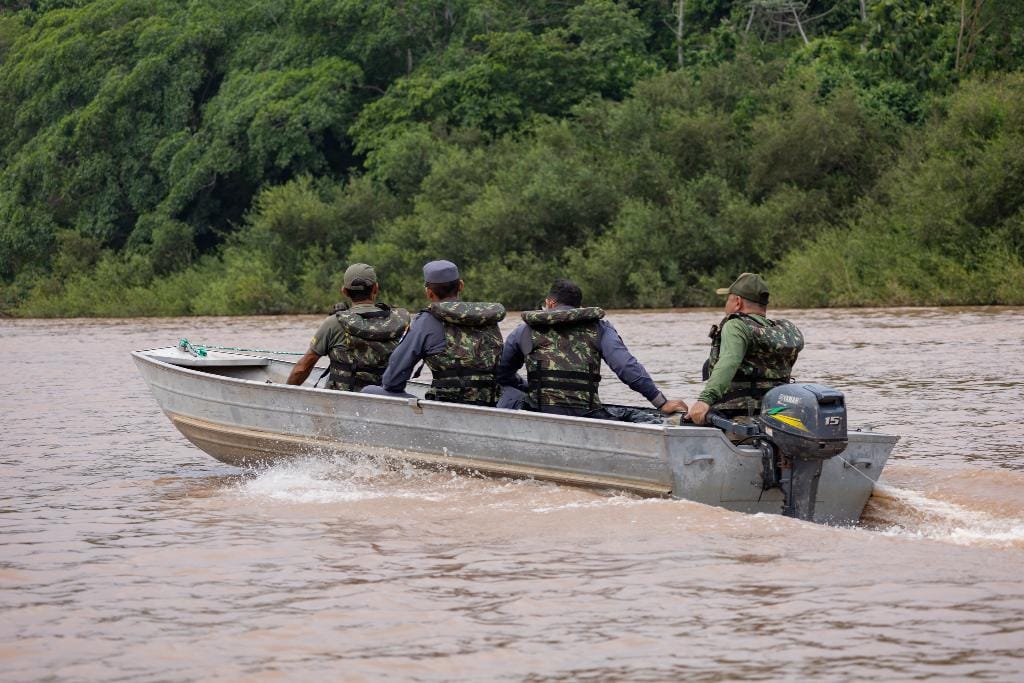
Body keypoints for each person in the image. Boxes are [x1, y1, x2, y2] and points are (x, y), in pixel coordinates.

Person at [496, 278, 687, 420]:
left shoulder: (525, 330)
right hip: (587, 413)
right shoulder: (599, 328)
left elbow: (502, 372)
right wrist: (661, 402)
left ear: (550, 303)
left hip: (540, 411)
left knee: (512, 395)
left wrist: (527, 387)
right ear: (579, 308)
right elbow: (626, 367)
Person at [362, 260, 506, 405]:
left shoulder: (426, 321)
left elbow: (392, 381)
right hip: (492, 403)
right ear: (461, 285)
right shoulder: (487, 318)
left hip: (447, 408)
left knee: (369, 391)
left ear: (429, 293)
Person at [687, 272, 803, 425]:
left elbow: (729, 362)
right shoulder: (782, 330)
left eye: (728, 298)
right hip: (775, 412)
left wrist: (704, 401)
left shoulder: (735, 325)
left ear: (737, 302)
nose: (726, 304)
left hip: (735, 415)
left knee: (678, 420)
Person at [286, 263, 410, 391]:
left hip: (343, 401)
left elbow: (303, 368)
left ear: (344, 291)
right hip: (386, 397)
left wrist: (285, 393)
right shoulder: (400, 322)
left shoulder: (334, 323)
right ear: (375, 288)